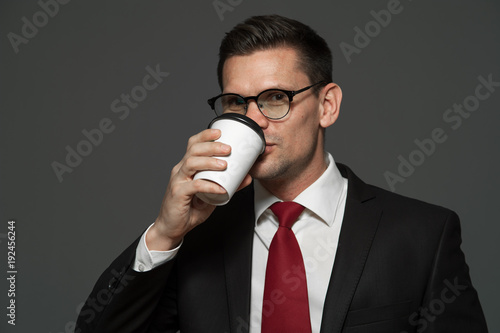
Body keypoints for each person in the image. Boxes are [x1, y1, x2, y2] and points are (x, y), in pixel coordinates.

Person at [76, 15, 488, 333]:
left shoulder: (422, 235)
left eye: (276, 98)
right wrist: (164, 234)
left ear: (327, 105)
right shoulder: (196, 239)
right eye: (237, 102)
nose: (254, 121)